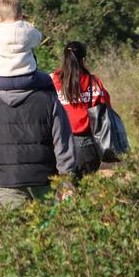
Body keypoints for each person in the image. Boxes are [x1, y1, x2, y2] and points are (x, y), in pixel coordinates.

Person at [0, 65, 76, 208]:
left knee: (14, 227)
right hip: (45, 179)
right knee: (46, 226)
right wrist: (67, 178)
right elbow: (63, 143)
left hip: (9, 180)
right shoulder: (49, 99)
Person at [52, 41, 112, 177]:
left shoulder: (52, 81)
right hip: (88, 147)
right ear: (83, 59)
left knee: (64, 191)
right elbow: (106, 107)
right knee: (83, 192)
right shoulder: (93, 81)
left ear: (64, 58)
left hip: (60, 146)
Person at [0, 0, 43, 78]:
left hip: (1, 78)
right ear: (21, 15)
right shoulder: (27, 29)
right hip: (27, 77)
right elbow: (38, 38)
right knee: (47, 82)